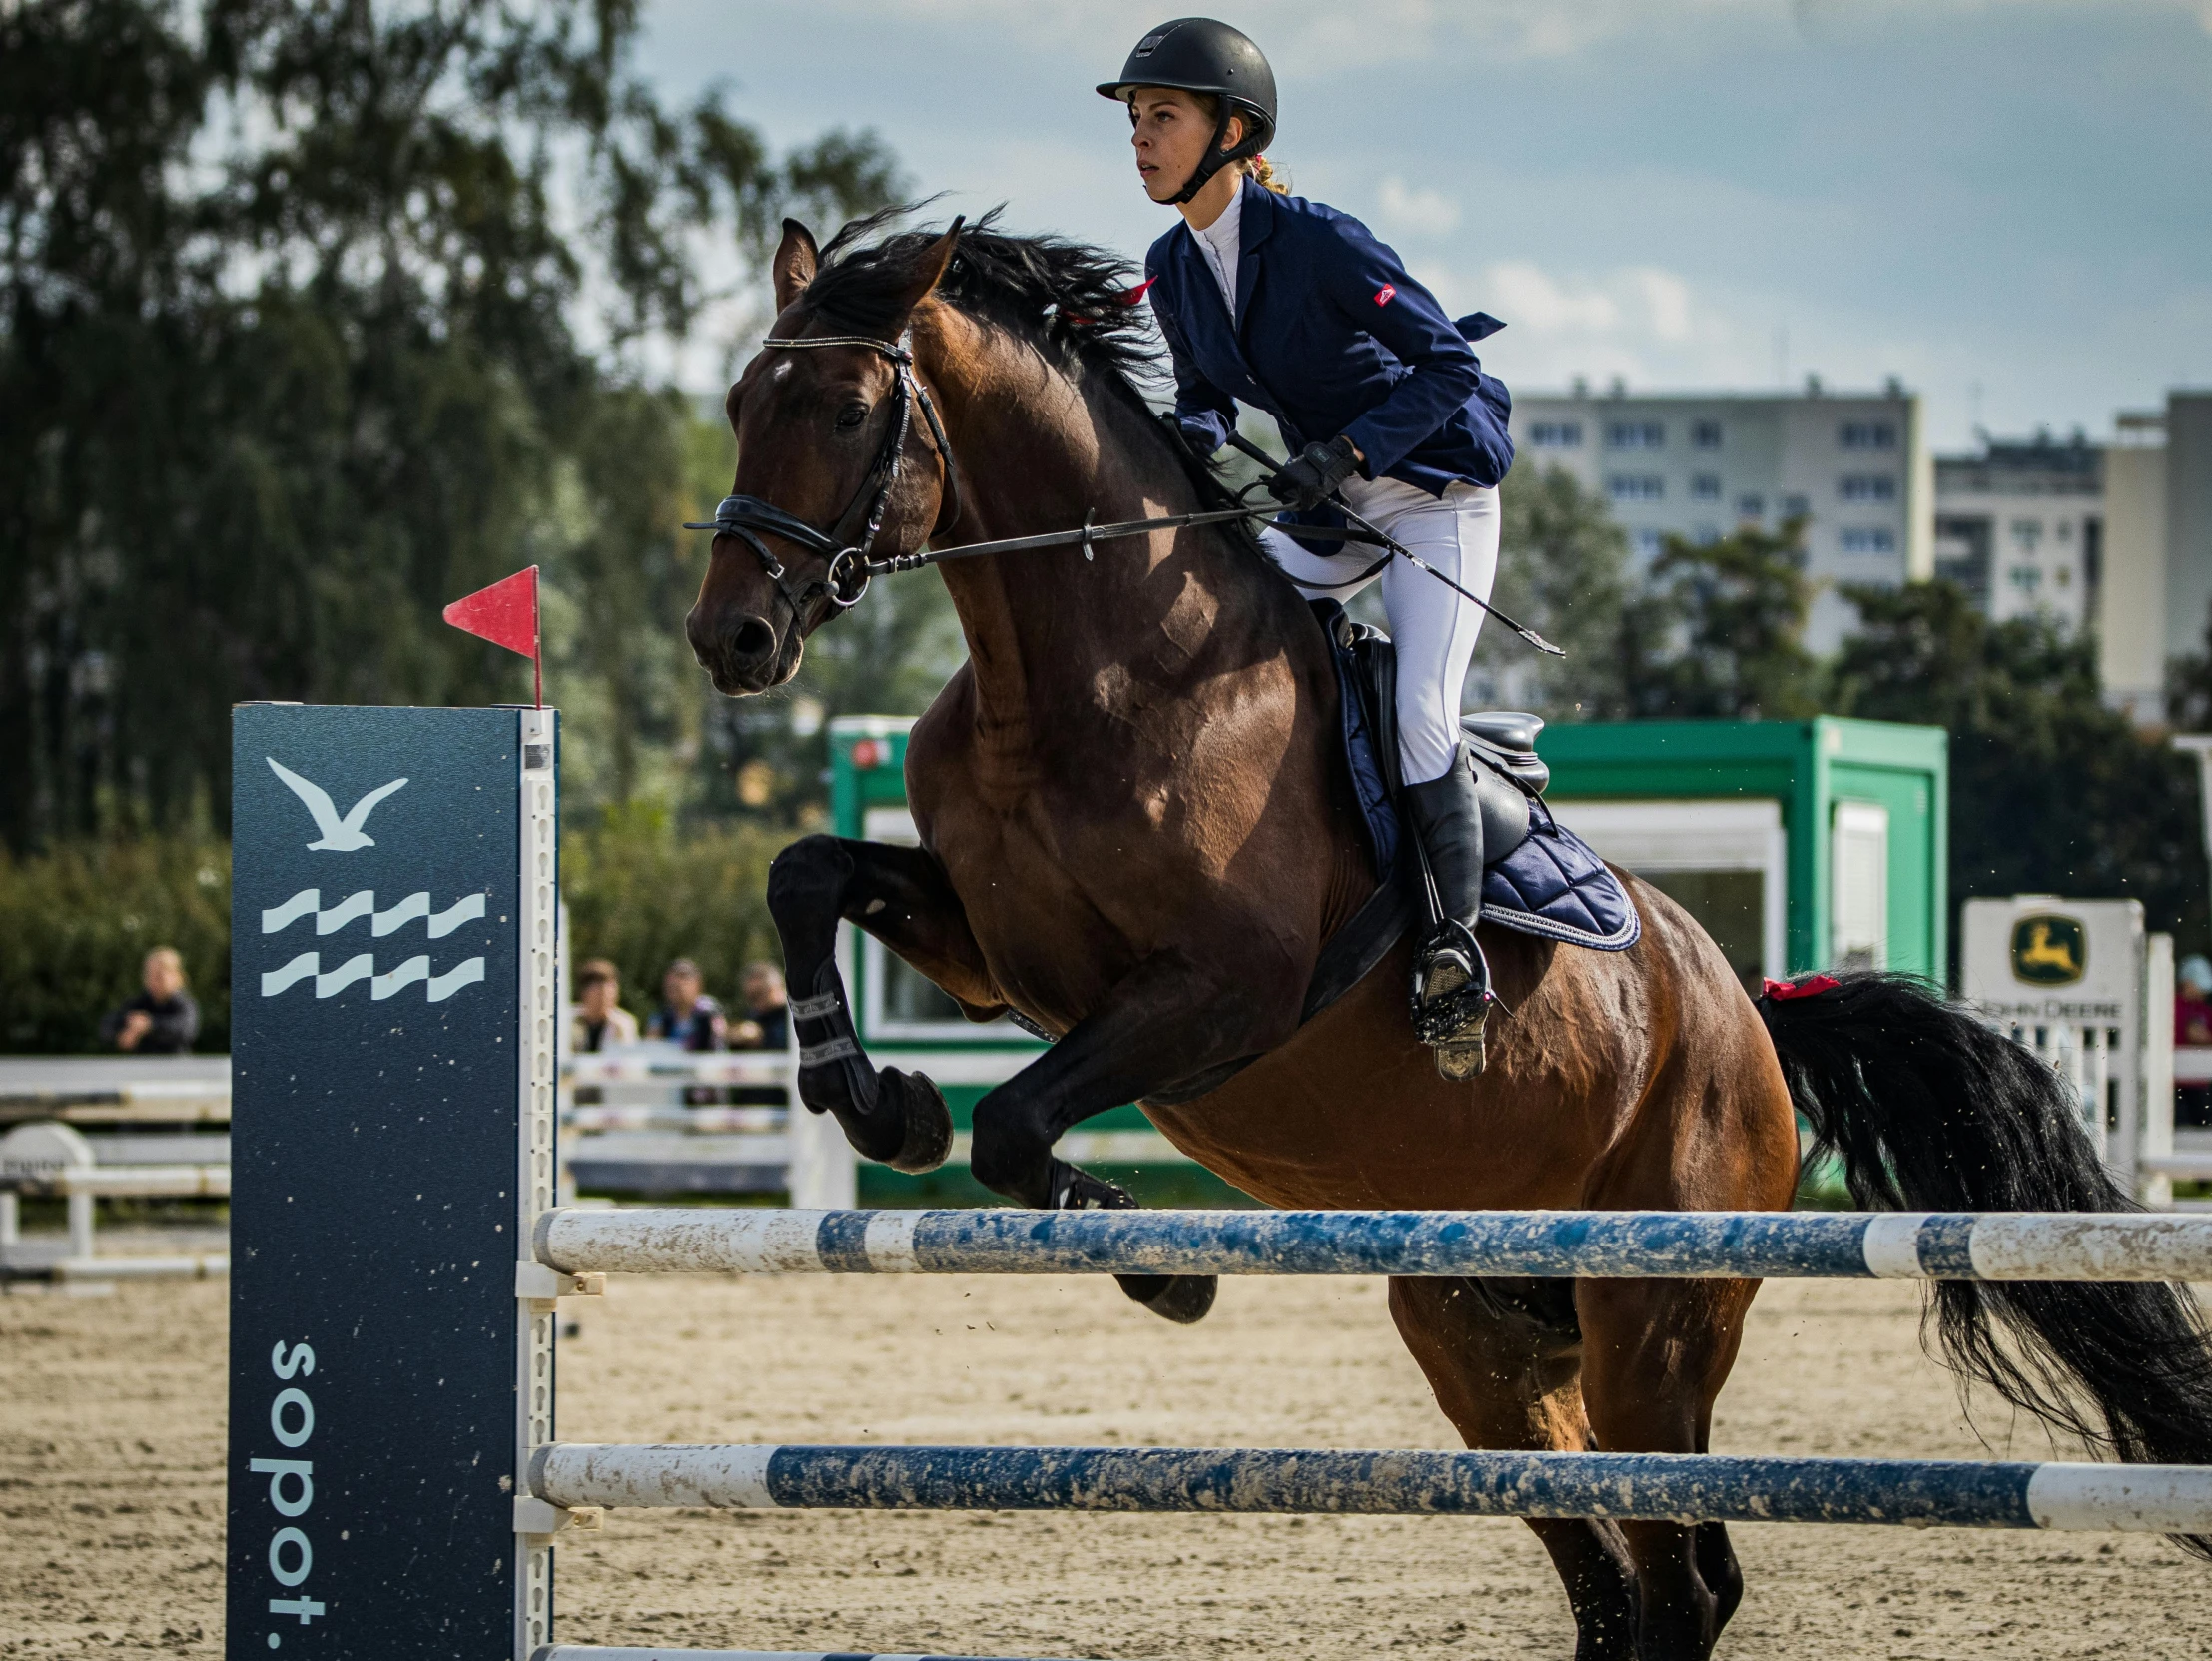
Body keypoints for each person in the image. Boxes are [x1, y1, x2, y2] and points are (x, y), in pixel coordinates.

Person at [1102, 18, 1514, 1075]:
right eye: (1136, 120)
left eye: (1164, 118)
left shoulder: (1320, 240)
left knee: (1422, 710)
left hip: (1433, 491)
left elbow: (1449, 369)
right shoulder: (1173, 263)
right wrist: (1176, 444)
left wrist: (1344, 453)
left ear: (1233, 130)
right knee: (1208, 652)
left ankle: (1454, 949)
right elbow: (1200, 401)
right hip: (1329, 513)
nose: (1141, 140)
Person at [101, 946, 200, 1054]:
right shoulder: (139, 1003)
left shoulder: (184, 1004)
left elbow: (185, 1030)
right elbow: (107, 1026)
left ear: (175, 976)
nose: (152, 981)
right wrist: (124, 1031)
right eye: (149, 975)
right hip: (143, 1068)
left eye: (158, 976)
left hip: (175, 1067)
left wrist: (150, 1025)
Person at [645, 958, 726, 1052]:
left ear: (697, 984)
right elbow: (651, 1046)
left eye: (683, 977)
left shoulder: (708, 1011)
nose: (675, 982)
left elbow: (719, 1040)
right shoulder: (661, 1015)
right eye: (671, 986)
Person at [571, 959, 640, 1053]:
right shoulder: (567, 1020)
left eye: (611, 994)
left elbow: (627, 1058)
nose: (604, 1000)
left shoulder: (623, 1024)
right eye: (599, 994)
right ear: (584, 993)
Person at [727, 961, 790, 1051]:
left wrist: (761, 1036)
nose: (754, 1001)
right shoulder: (755, 1014)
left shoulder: (793, 1013)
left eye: (758, 993)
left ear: (775, 988)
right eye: (750, 996)